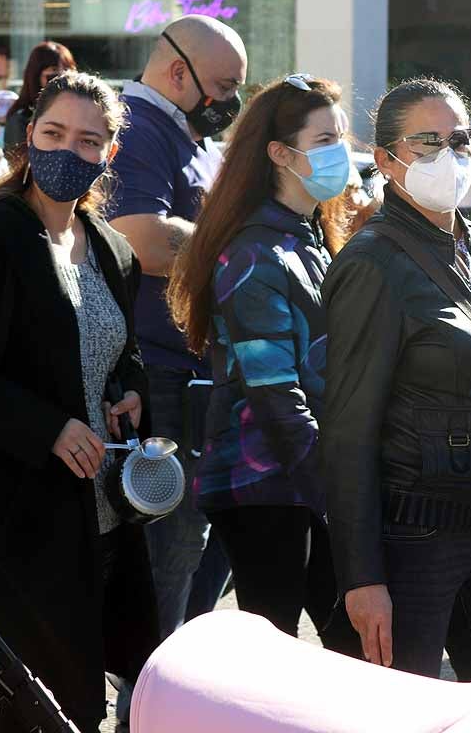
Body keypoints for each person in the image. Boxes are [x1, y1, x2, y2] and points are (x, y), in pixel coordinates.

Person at [0, 71, 160, 733]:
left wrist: (131, 390)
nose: (66, 151)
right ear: (28, 137)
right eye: (53, 133)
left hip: (102, 517)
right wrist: (46, 427)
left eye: (87, 140)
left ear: (108, 154)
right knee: (57, 707)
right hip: (17, 519)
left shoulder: (110, 248)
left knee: (63, 703)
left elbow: (120, 351)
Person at [321, 78, 471, 733]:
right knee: (403, 718)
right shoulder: (374, 263)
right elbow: (347, 431)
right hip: (413, 540)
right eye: (430, 142)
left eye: (463, 139)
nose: (453, 156)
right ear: (386, 160)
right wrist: (362, 577)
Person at [166, 74, 359, 655]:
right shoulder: (254, 252)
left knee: (350, 640)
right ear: (280, 153)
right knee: (277, 652)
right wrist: (341, 488)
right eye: (325, 139)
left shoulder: (309, 234)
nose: (341, 153)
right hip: (265, 481)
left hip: (302, 472)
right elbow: (276, 394)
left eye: (342, 138)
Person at [108, 15, 247, 639]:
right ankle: (151, 701)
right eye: (223, 84)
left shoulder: (183, 133)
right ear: (176, 72)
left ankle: (170, 687)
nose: (231, 101)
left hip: (194, 371)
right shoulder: (139, 129)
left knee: (201, 547)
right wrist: (237, 245)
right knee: (172, 554)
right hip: (163, 376)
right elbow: (140, 238)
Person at [4, 40, 77, 149]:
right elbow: (18, 163)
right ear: (36, 76)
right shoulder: (20, 120)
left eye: (67, 70)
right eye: (54, 70)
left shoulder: (78, 113)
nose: (63, 78)